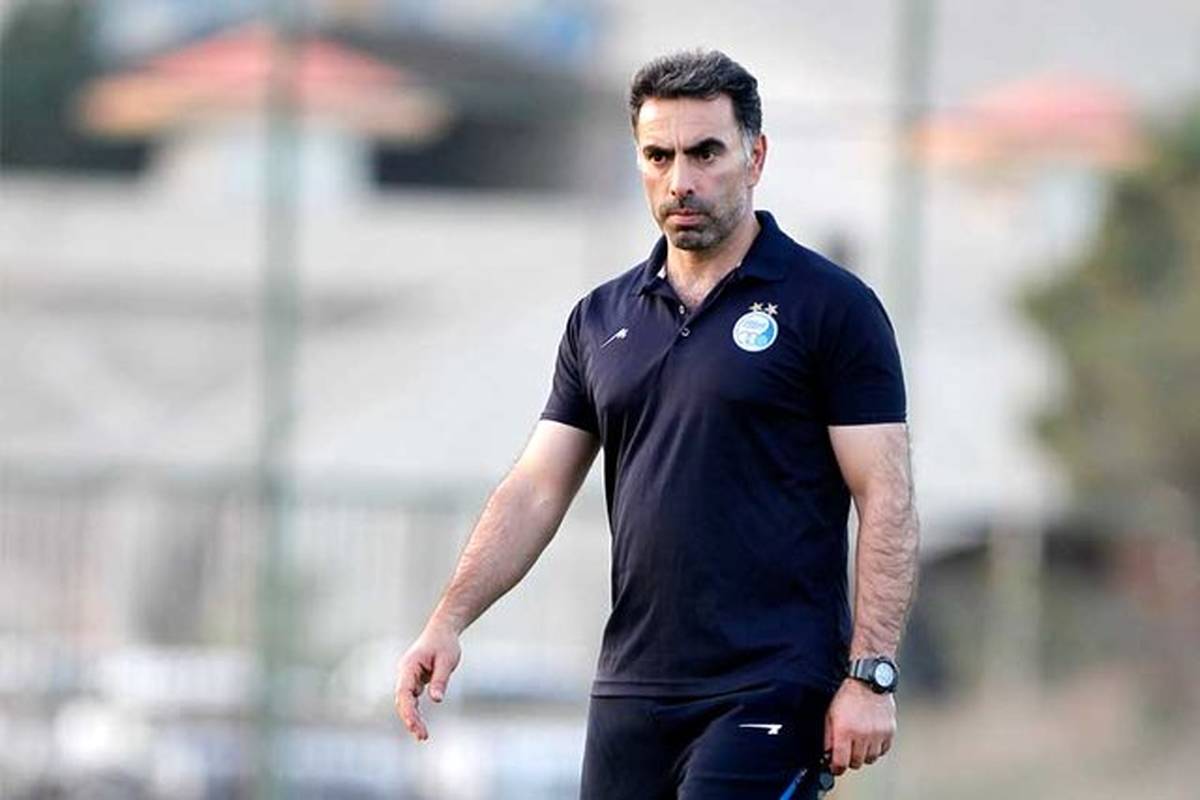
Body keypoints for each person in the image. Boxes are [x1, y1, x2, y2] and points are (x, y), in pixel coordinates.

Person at [395, 49, 919, 799]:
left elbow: (886, 495)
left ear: (754, 157)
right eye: (658, 156)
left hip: (773, 686)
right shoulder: (600, 318)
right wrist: (449, 619)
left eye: (705, 153)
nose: (681, 181)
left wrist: (870, 675)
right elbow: (536, 488)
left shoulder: (831, 308)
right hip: (631, 691)